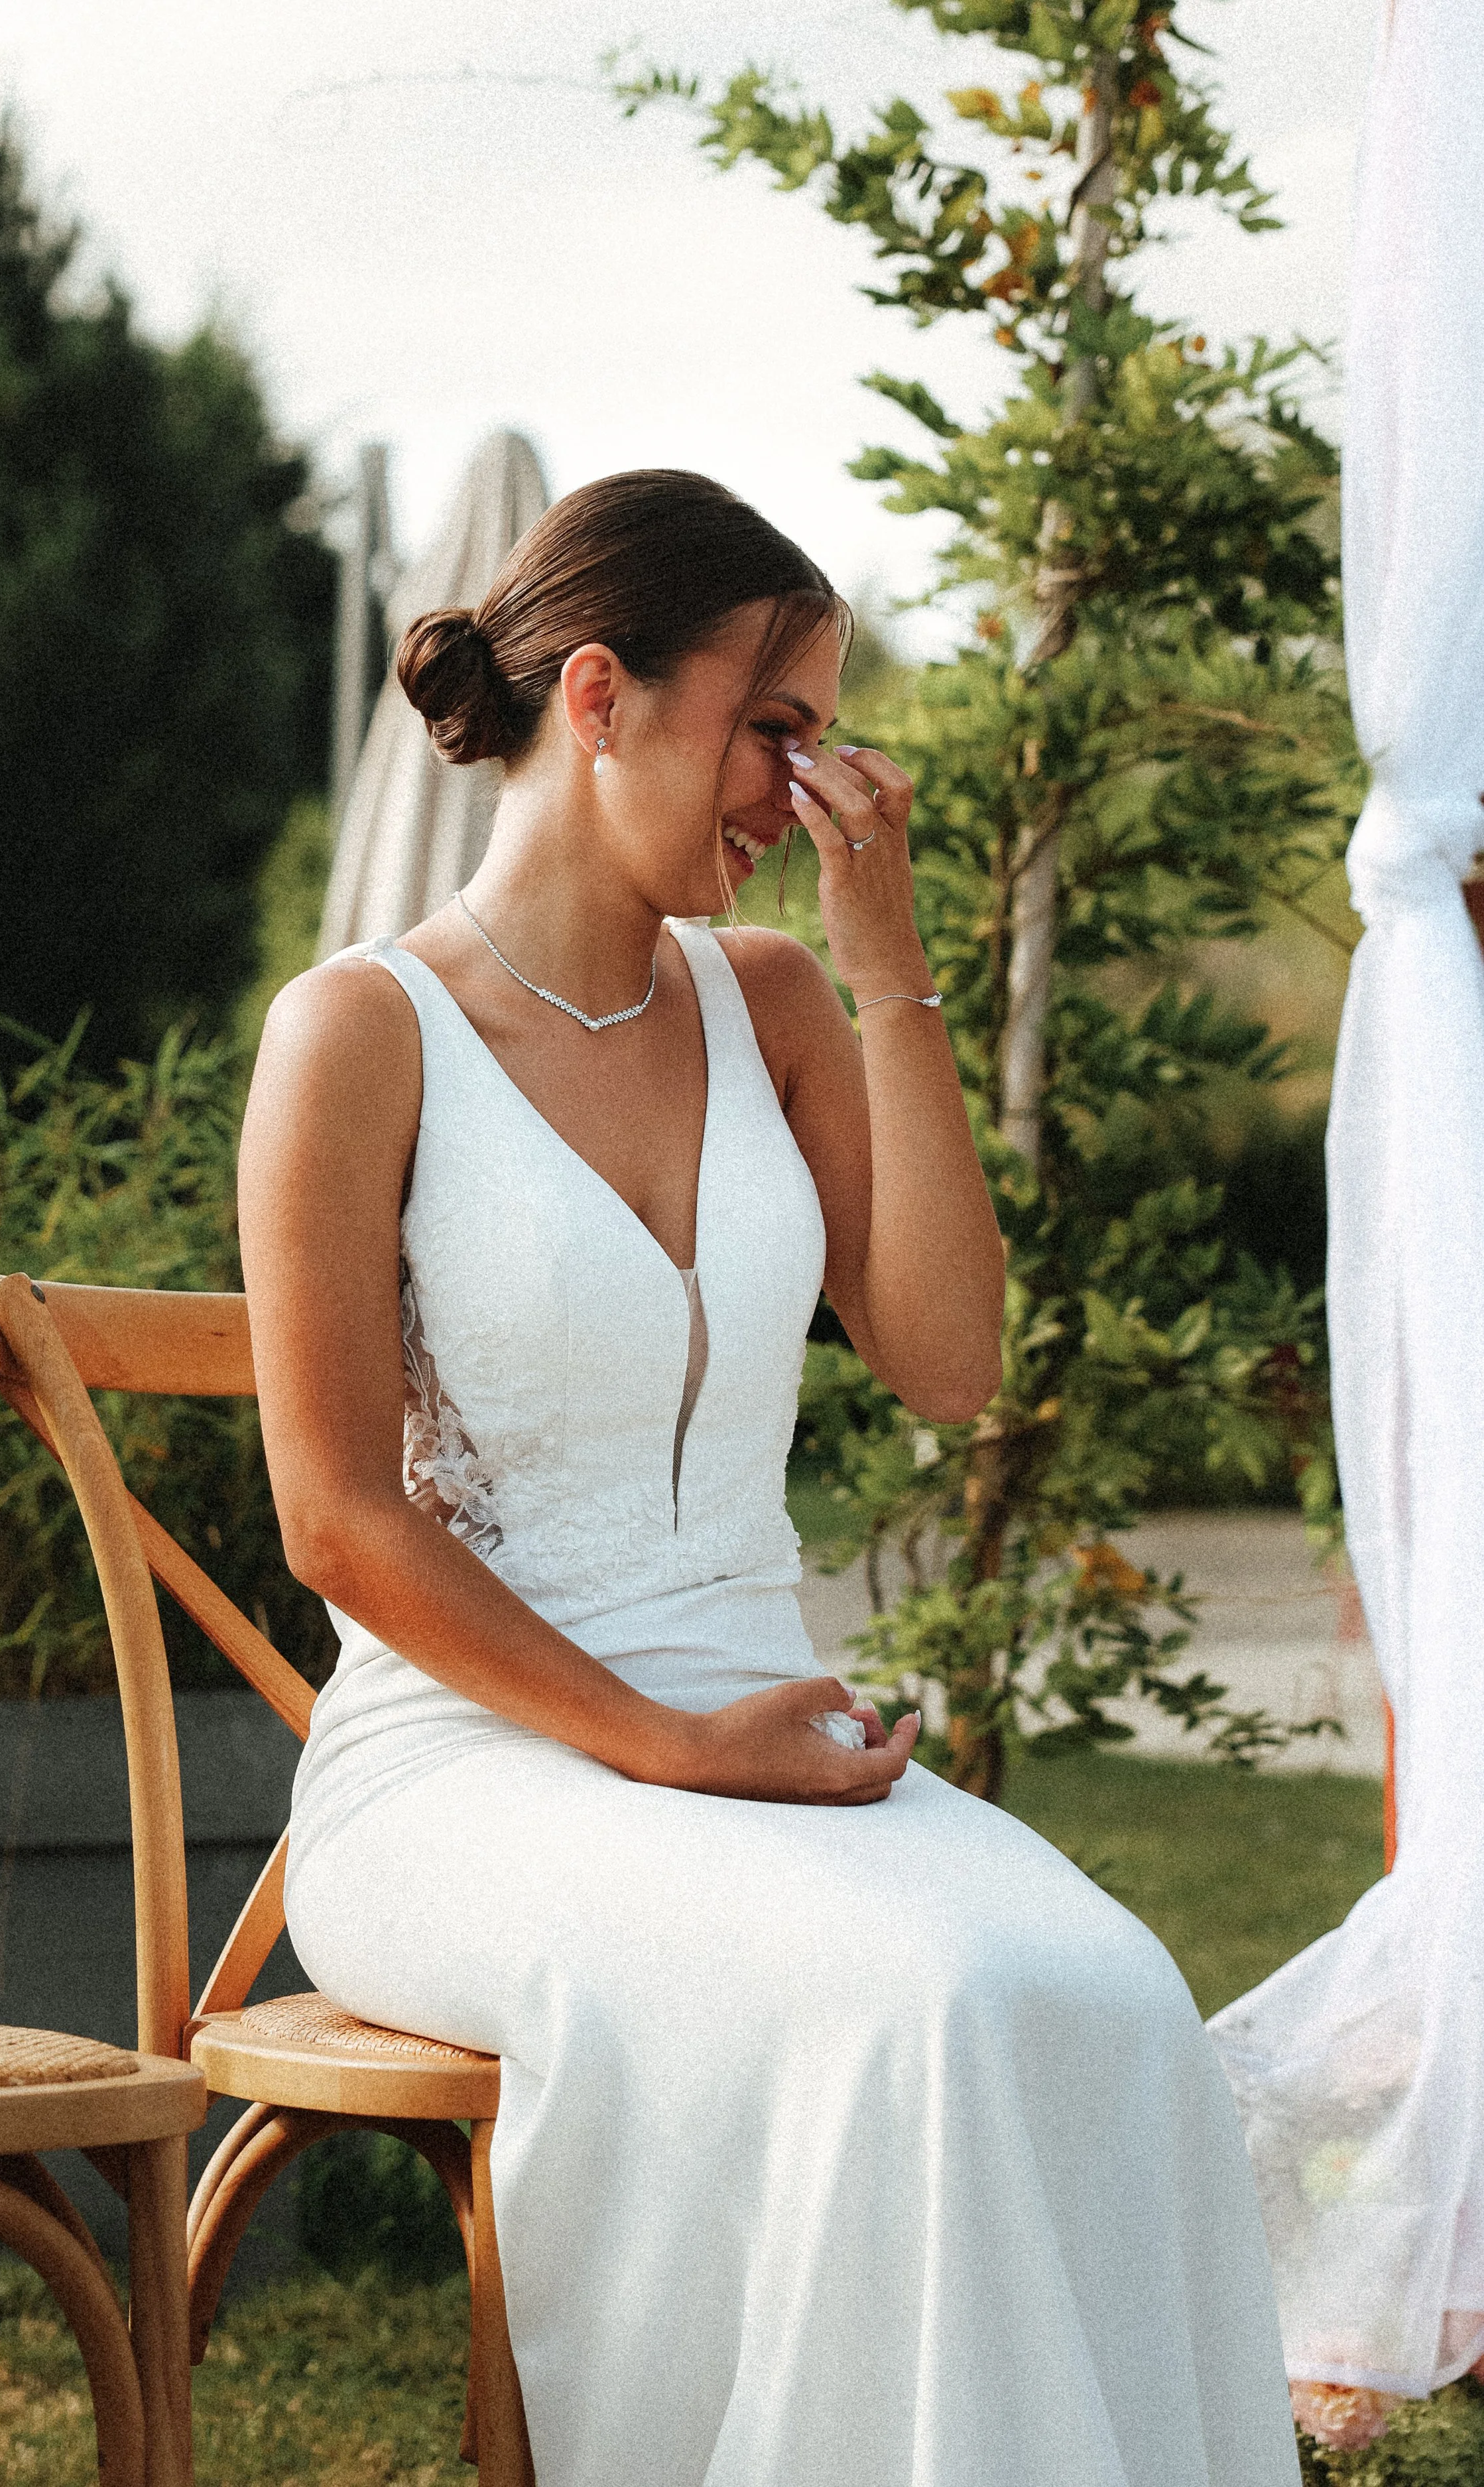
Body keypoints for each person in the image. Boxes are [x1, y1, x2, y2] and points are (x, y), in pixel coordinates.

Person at [238, 470, 1300, 2487]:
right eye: (775, 725)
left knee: (1096, 1987)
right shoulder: (354, 1033)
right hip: (461, 1772)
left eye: (821, 730)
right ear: (603, 698)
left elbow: (950, 1361)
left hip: (766, 1730)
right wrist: (661, 1745)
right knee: (907, 2006)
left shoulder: (779, 1003)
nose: (808, 779)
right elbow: (338, 1524)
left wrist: (885, 959)